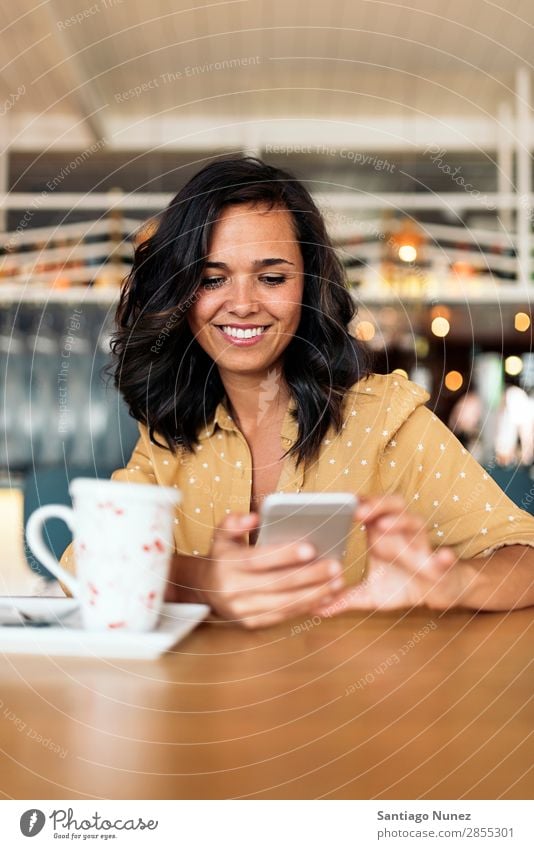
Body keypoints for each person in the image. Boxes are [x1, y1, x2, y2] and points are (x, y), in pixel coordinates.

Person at [61, 157, 534, 628]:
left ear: (308, 286)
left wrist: (447, 585)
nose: (242, 305)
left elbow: (525, 556)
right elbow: (80, 565)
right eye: (211, 279)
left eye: (271, 278)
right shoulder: (170, 432)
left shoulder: (385, 418)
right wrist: (204, 581)